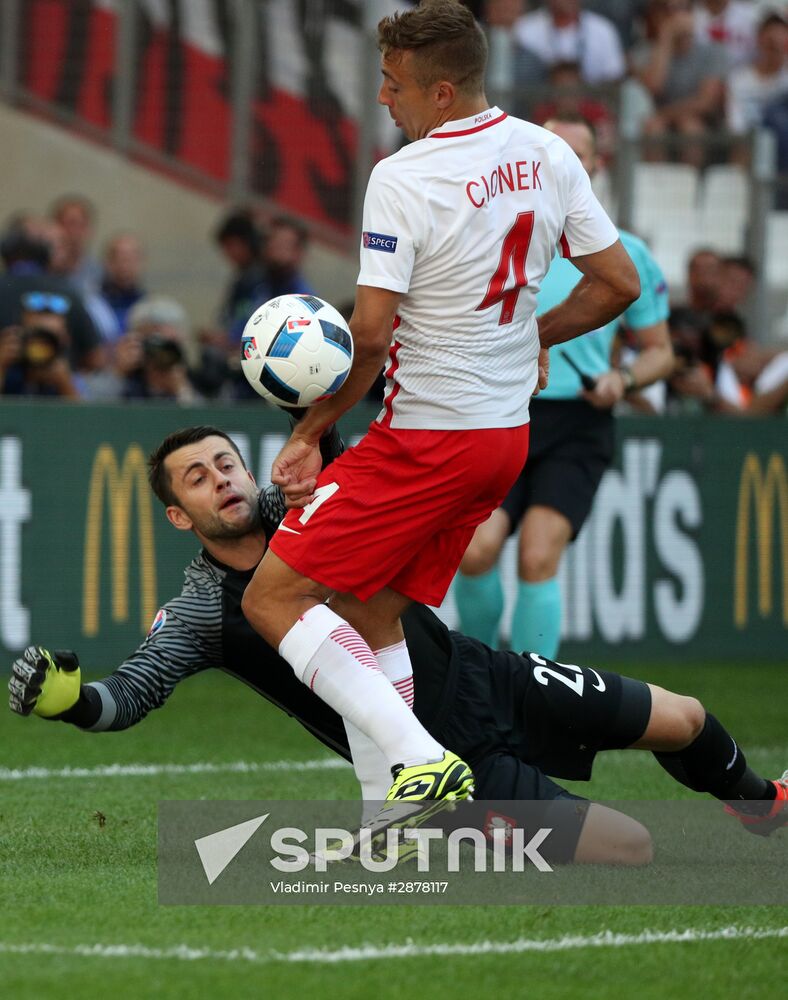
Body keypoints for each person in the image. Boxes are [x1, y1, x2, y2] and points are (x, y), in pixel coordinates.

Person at [8, 425, 786, 864]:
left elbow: (367, 466)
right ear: (178, 516)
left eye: (225, 463)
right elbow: (128, 696)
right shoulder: (202, 611)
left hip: (488, 674)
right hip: (445, 756)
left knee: (684, 718)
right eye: (196, 480)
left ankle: (763, 808)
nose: (221, 480)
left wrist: (322, 412)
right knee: (634, 849)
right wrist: (72, 701)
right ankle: (446, 822)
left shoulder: (306, 506)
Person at [241, 0, 640, 807]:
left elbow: (375, 335)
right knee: (370, 606)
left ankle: (420, 760)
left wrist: (313, 431)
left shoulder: (405, 177)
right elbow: (618, 284)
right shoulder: (548, 152)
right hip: (503, 441)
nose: (384, 98)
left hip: (428, 437)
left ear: (443, 93)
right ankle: (387, 802)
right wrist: (537, 337)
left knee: (272, 596)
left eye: (393, 84)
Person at [454, 117, 674, 656]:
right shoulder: (495, 238)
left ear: (595, 166)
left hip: (577, 420)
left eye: (573, 154)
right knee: (476, 550)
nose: (557, 163)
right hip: (503, 411)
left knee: (537, 554)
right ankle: (476, 685)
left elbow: (661, 352)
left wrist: (620, 379)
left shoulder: (626, 252)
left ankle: (535, 695)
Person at [632, 0, 728, 166]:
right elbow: (654, 86)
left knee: (690, 127)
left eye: (683, 9)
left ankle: (691, 187)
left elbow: (705, 103)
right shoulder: (643, 54)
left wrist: (664, 115)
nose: (675, 16)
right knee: (655, 130)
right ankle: (657, 185)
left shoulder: (713, 51)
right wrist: (666, 37)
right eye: (667, 10)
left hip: (704, 124)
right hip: (656, 124)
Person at [513, 0, 626, 86]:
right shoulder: (524, 28)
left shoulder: (603, 29)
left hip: (589, 106)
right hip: (538, 106)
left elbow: (614, 77)